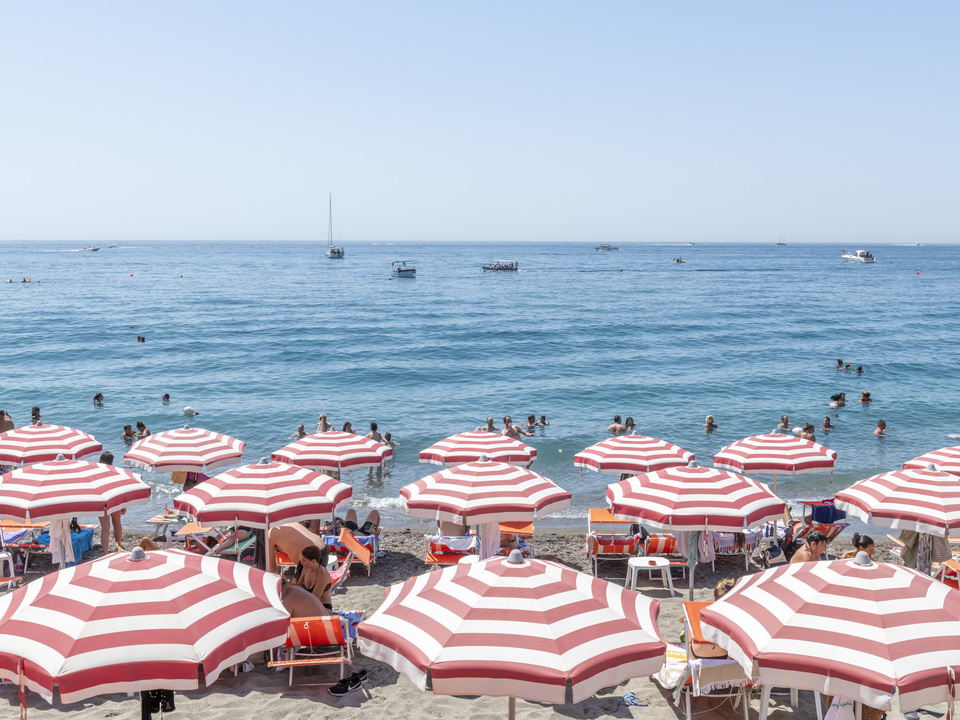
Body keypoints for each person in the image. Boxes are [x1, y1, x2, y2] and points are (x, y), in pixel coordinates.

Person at [98, 451, 126, 552]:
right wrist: (123, 504)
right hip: (114, 500)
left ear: (100, 460)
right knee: (117, 523)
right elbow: (119, 489)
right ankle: (118, 545)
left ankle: (105, 552)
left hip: (102, 502)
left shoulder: (95, 473)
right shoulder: (115, 472)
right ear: (112, 461)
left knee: (105, 528)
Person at [297, 545, 334, 611]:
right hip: (308, 604)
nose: (301, 562)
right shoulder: (306, 569)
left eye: (304, 560)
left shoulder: (323, 575)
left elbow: (314, 600)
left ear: (313, 561)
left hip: (323, 608)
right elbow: (298, 588)